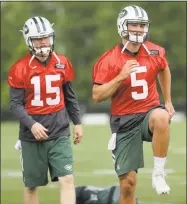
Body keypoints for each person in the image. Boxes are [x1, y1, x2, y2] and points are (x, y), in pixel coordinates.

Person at [92, 5, 175, 204]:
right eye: (133, 25)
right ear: (122, 26)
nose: (138, 29)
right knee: (128, 185)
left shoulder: (155, 51)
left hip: (149, 113)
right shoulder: (110, 59)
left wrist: (168, 100)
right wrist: (120, 77)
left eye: (141, 25)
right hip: (124, 122)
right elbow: (97, 95)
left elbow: (164, 69)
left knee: (162, 116)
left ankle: (158, 173)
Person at [8, 16, 83, 204]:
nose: (43, 42)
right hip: (31, 134)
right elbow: (15, 105)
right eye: (37, 38)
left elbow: (70, 97)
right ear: (29, 40)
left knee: (67, 179)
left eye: (46, 37)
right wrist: (32, 125)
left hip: (59, 129)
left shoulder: (62, 62)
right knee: (32, 185)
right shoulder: (19, 68)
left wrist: (78, 123)